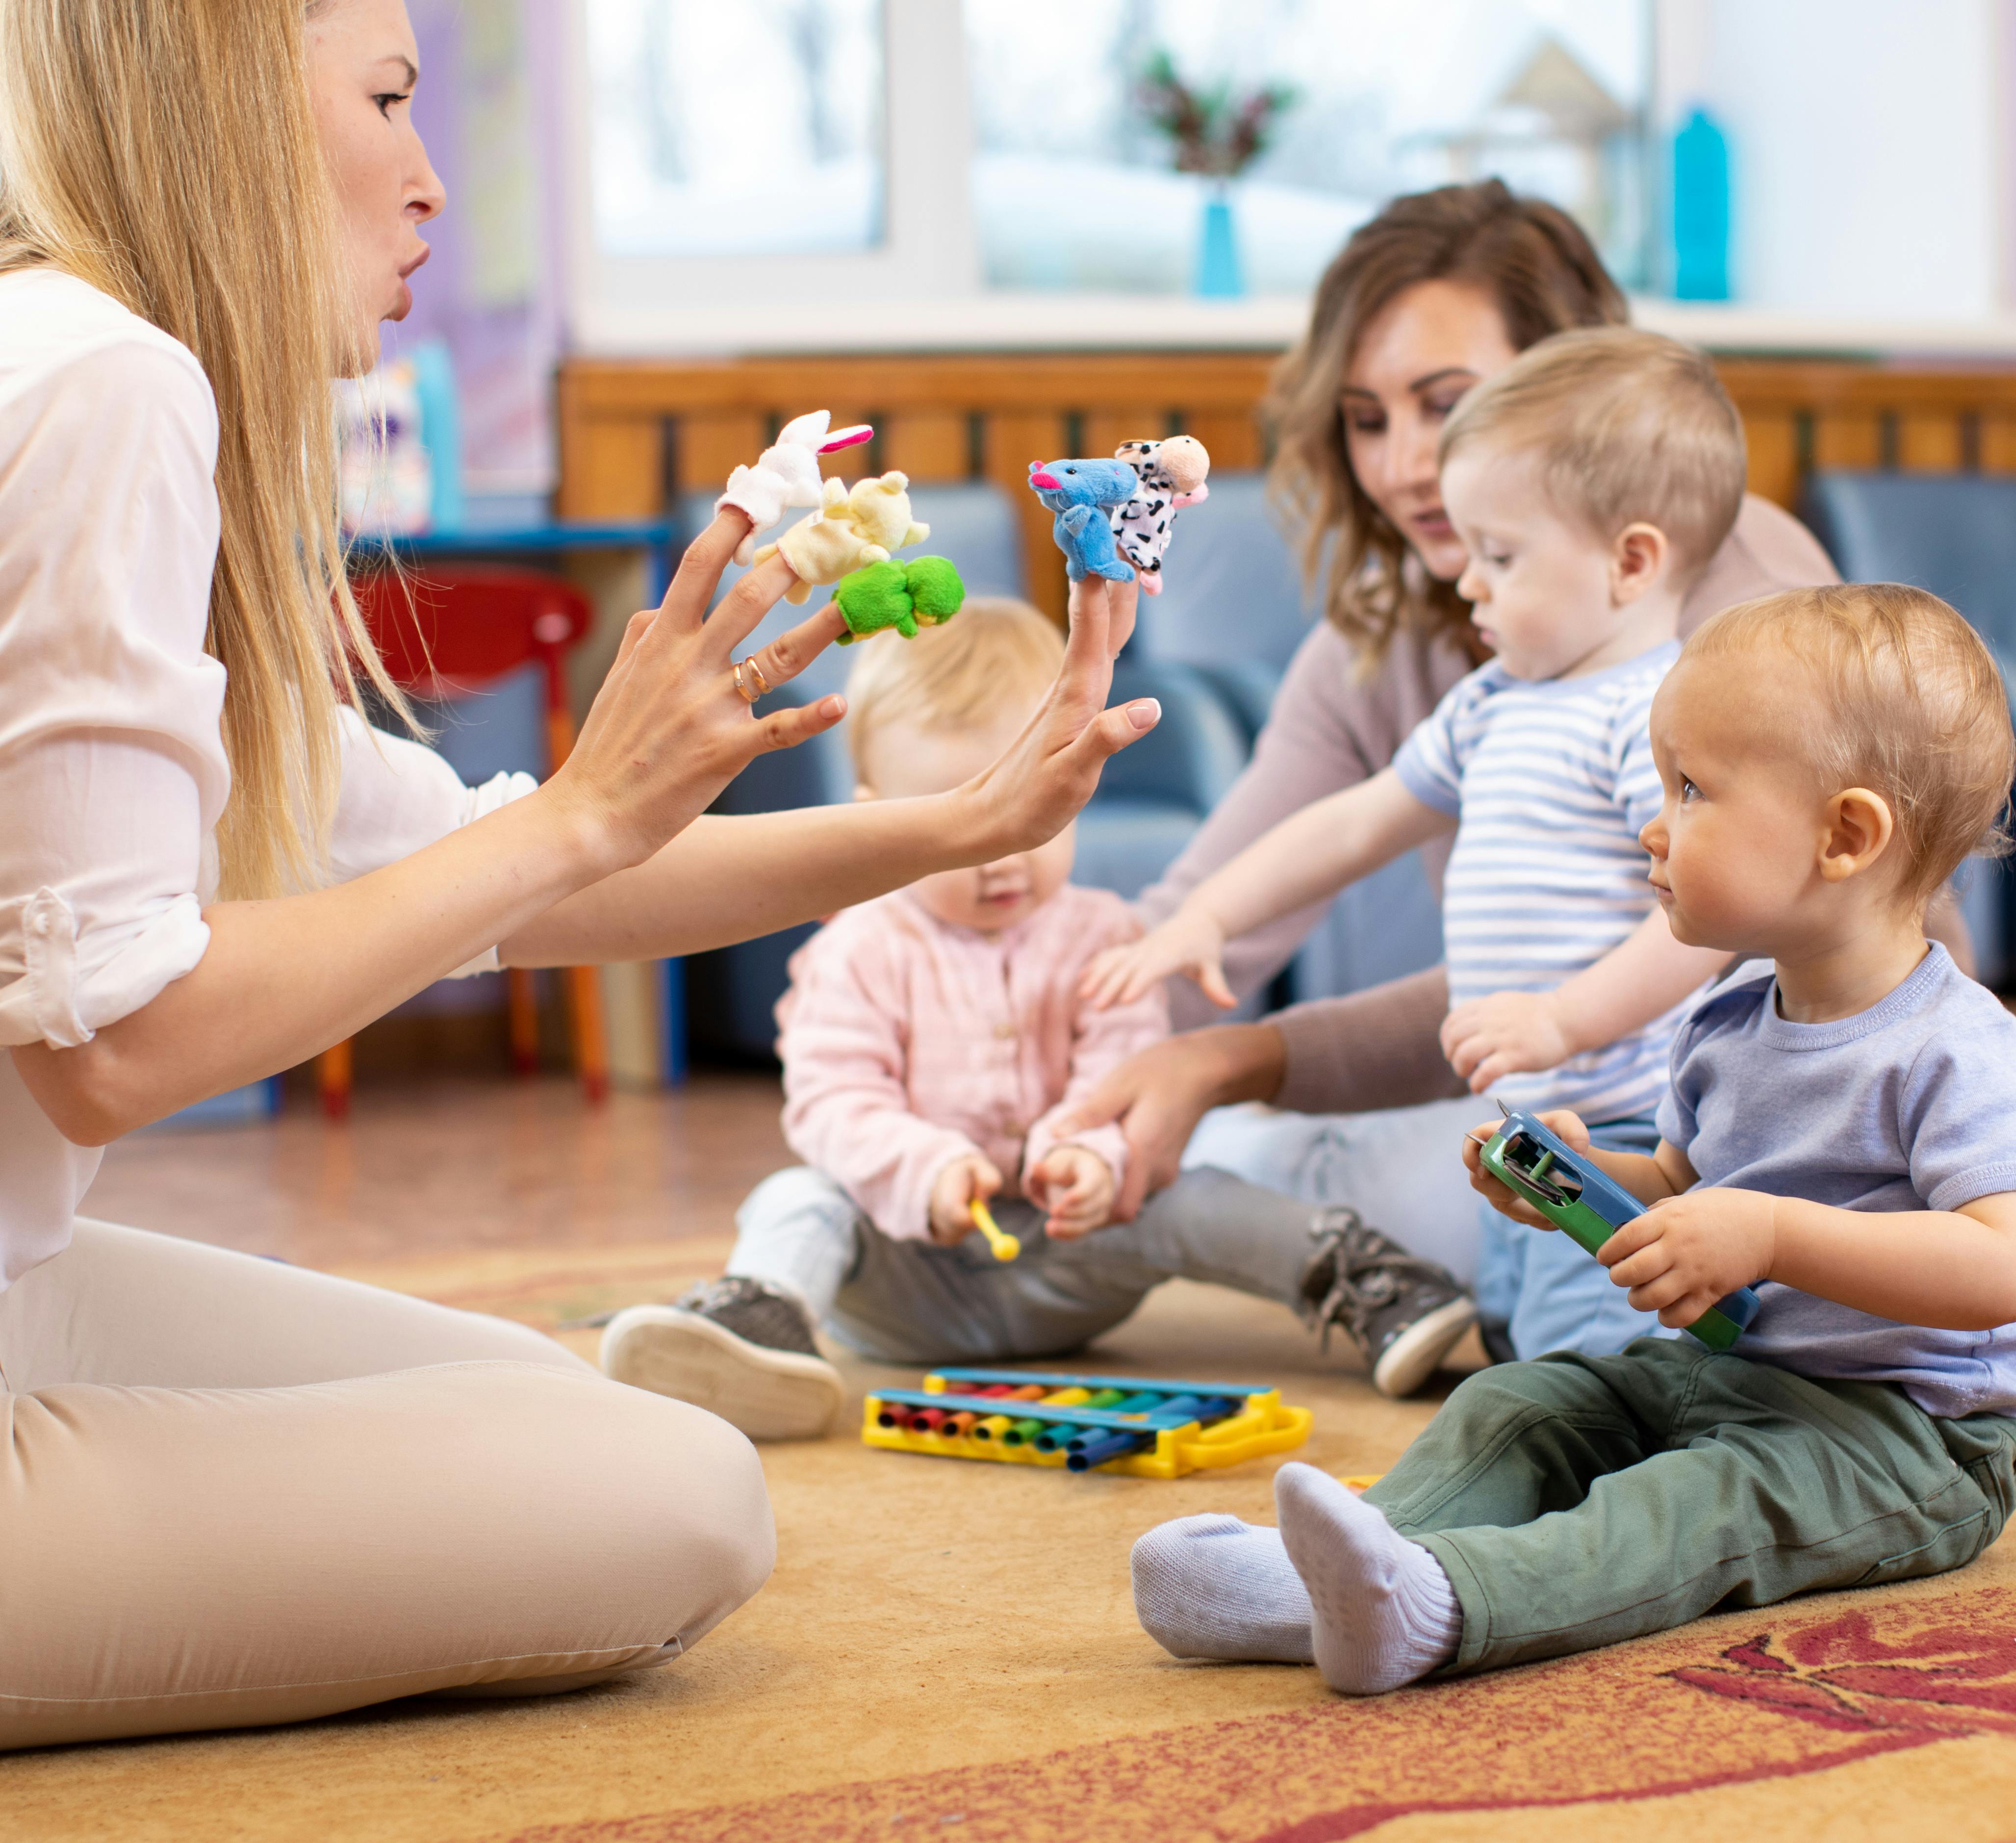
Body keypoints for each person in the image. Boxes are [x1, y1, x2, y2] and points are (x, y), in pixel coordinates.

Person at [0, 0, 1155, 1750]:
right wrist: (581, 811)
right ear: (224, 102)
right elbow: (113, 1043)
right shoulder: (106, 380)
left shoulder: (66, 362)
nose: (430, 180)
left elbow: (494, 871)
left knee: (530, 1394)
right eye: (386, 99)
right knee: (680, 1496)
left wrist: (951, 826)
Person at [1128, 585, 2016, 1692]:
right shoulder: (1725, 1021)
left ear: (1844, 835)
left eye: (1692, 789)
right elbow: (1679, 1184)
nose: (1652, 822)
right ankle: (1323, 1578)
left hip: (1911, 1437)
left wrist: (1768, 1233)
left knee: (1686, 1504)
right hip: (1731, 1374)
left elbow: (1998, 1270)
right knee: (1518, 1403)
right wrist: (1576, 1183)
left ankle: (1444, 1605)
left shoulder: (1964, 1054)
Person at [1067, 182, 1971, 1278]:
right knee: (1234, 1152)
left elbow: (1853, 940)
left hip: (1754, 1132)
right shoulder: (1402, 636)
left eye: (1444, 404)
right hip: (1549, 1096)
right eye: (1364, 418)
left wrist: (1248, 1059)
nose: (1403, 463)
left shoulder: (1746, 604)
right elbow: (1229, 894)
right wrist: (1022, 1046)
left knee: (1311, 1177)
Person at [599, 603, 1473, 1433]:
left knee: (1194, 1186)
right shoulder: (857, 947)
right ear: (874, 819)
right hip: (907, 1282)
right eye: (963, 820)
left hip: (1074, 1256)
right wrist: (927, 1167)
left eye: (1031, 816)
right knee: (794, 1196)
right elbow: (832, 1103)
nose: (1001, 857)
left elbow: (1121, 1074)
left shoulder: (1106, 936)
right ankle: (761, 1320)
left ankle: (1364, 1278)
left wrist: (1085, 1155)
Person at [1093, 327, 1753, 1362]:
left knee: (1608, 1368)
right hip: (1523, 1125)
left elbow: (1706, 922)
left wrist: (1561, 1017)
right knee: (1524, 1337)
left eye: (1499, 556)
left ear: (1630, 561)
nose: (1468, 584)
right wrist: (1207, 914)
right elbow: (1355, 821)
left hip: (1630, 1130)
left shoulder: (1660, 716)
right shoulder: (1493, 702)